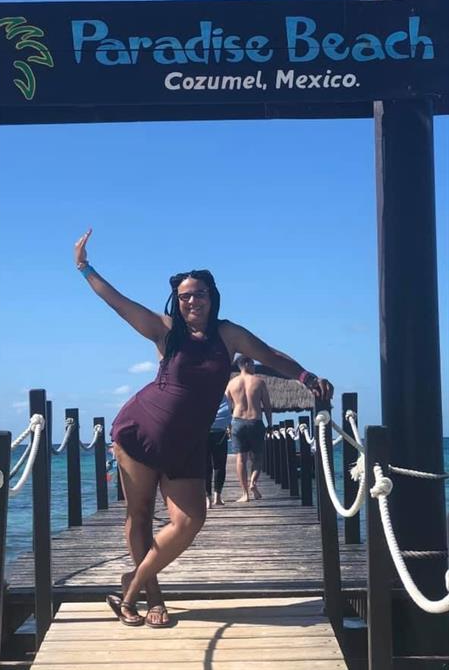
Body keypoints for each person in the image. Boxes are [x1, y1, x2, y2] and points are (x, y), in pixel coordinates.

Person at [74, 228, 333, 628]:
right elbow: (120, 304)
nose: (192, 301)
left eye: (199, 294)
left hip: (187, 443)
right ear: (176, 302)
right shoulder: (166, 331)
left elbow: (269, 354)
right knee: (139, 515)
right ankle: (151, 597)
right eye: (184, 296)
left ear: (212, 297)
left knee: (190, 520)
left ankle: (131, 584)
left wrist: (305, 375)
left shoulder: (228, 335)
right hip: (142, 431)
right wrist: (85, 268)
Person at [226, 356, 272, 502]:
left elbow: (226, 408)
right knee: (258, 457)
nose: (254, 366)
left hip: (237, 422)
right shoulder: (259, 382)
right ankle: (253, 482)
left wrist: (228, 425)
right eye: (252, 364)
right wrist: (270, 424)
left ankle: (245, 494)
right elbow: (267, 406)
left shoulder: (231, 384)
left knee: (241, 459)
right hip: (255, 421)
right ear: (246, 364)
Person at [206, 395, 231, 508]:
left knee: (206, 466)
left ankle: (208, 498)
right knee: (219, 466)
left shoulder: (199, 393)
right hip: (220, 432)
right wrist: (229, 427)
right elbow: (227, 413)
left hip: (204, 431)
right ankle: (217, 496)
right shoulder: (222, 395)